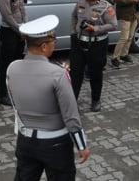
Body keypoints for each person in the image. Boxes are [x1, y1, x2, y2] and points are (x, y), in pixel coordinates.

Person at [7, 15, 90, 180]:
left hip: (25, 141)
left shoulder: (12, 68)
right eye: (53, 41)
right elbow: (71, 115)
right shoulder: (57, 74)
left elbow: (16, 103)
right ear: (44, 46)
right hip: (56, 143)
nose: (54, 45)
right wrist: (82, 145)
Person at [69, 0, 118, 112]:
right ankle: (73, 101)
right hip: (79, 42)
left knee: (95, 73)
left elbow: (113, 25)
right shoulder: (80, 2)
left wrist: (95, 29)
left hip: (97, 44)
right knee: (75, 73)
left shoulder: (106, 7)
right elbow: (73, 17)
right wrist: (74, 33)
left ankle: (96, 100)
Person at [0, 0, 28, 106]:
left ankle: (14, 89)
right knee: (6, 64)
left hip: (20, 31)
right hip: (9, 32)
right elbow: (7, 16)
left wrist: (26, 27)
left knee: (17, 63)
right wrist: (19, 29)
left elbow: (23, 11)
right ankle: (2, 95)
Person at [111, 0, 139, 68]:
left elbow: (136, 1)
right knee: (124, 37)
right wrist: (130, 1)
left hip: (134, 15)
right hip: (125, 15)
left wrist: (138, 15)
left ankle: (124, 54)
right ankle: (115, 57)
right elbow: (116, 0)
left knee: (130, 37)